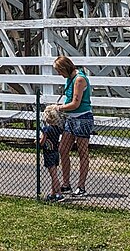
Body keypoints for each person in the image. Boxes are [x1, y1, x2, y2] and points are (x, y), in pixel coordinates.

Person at [53, 55, 93, 197]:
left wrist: (59, 108)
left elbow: (76, 104)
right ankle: (66, 184)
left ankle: (81, 186)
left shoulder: (79, 79)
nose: (59, 74)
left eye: (59, 71)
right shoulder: (69, 79)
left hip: (82, 118)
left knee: (82, 152)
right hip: (71, 118)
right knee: (63, 149)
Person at [39, 104, 64, 201]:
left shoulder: (46, 130)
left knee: (53, 175)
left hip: (48, 153)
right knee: (55, 173)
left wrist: (38, 142)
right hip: (55, 152)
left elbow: (42, 142)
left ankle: (59, 193)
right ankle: (53, 193)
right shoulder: (57, 129)